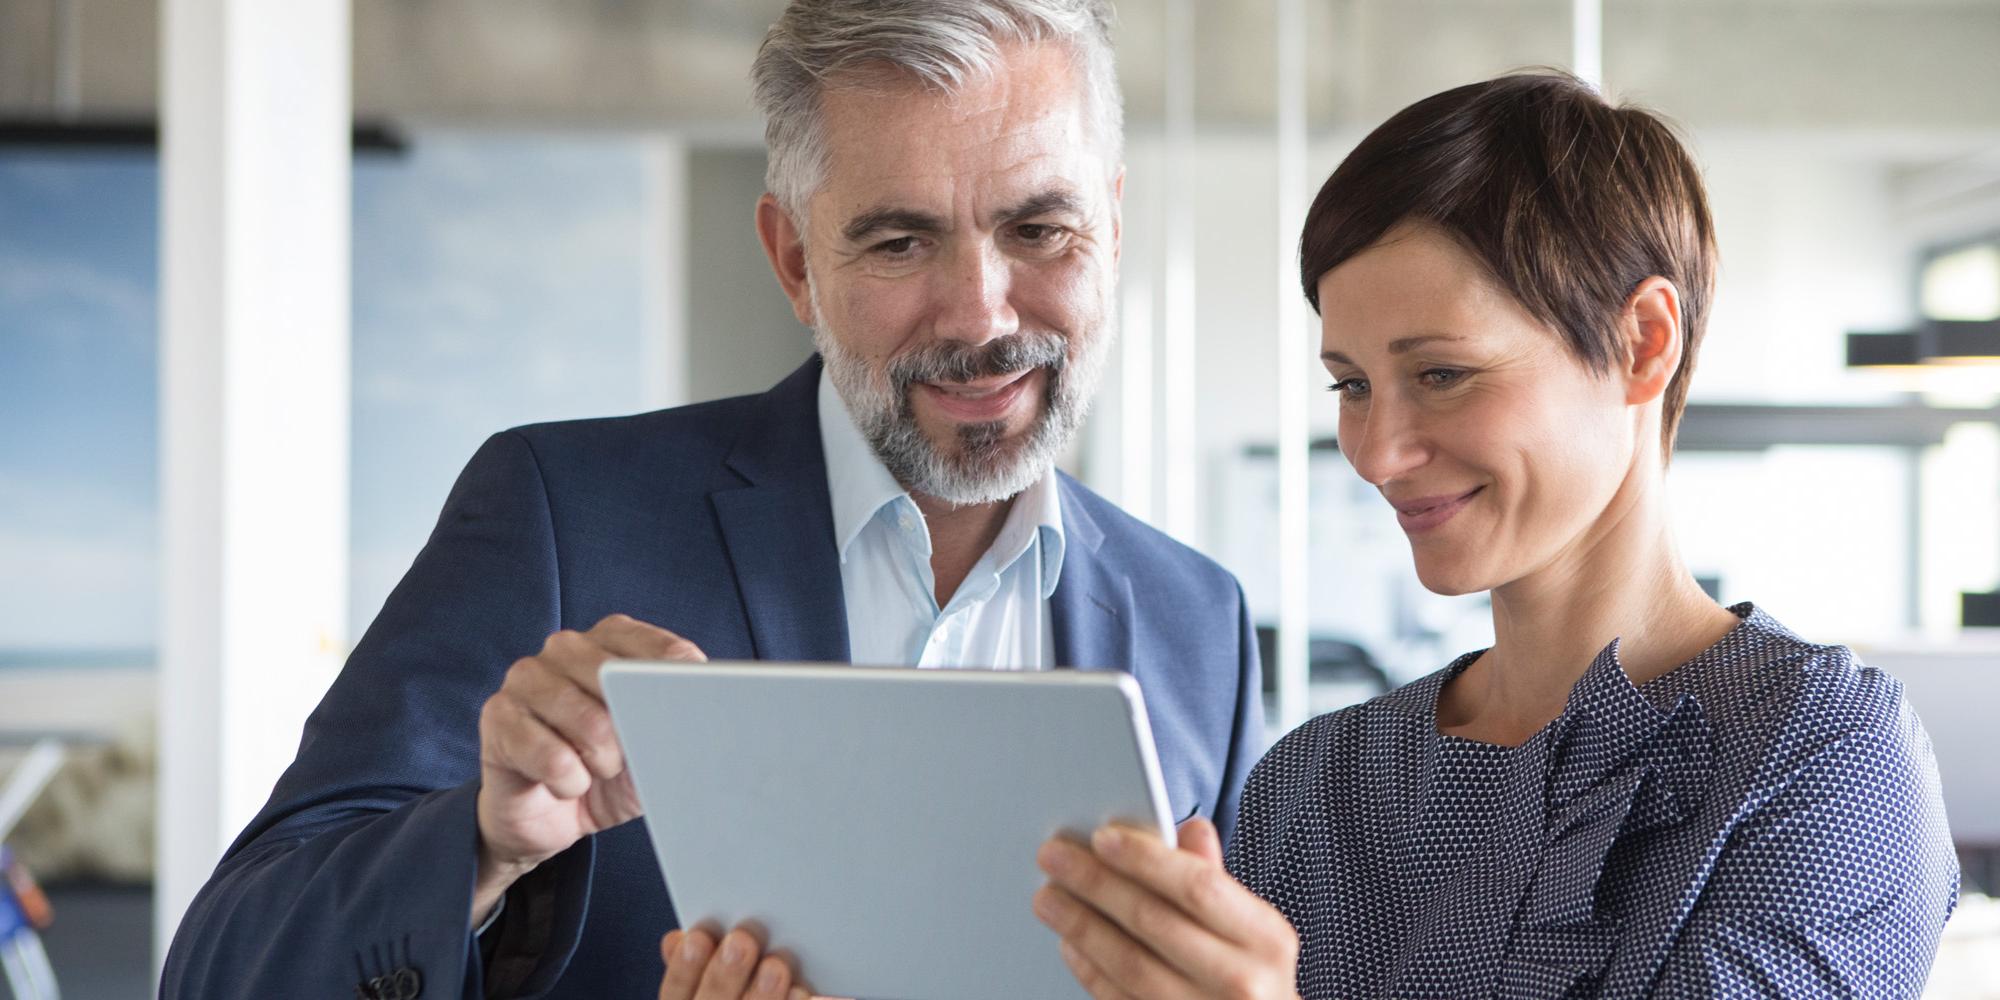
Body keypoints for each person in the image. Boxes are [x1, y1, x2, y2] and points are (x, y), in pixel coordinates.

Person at [159, 2, 1266, 997]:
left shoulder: (1196, 622)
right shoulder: (560, 515)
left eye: (1038, 229)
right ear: (793, 260)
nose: (979, 315)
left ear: (1110, 229)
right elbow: (223, 967)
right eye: (898, 240)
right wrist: (485, 846)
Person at [1026, 72, 1961, 999]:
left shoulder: (1818, 754)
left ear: (1642, 341)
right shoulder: (1315, 785)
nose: (1378, 453)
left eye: (1440, 374)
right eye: (1351, 386)